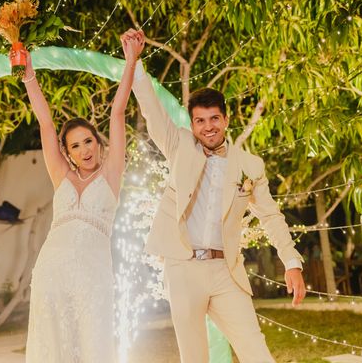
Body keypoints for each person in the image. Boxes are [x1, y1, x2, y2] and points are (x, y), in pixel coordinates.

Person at [121, 28, 306, 363]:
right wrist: (135, 61)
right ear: (192, 125)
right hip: (182, 267)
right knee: (194, 358)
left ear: (226, 119)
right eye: (200, 121)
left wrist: (291, 263)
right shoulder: (179, 146)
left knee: (257, 352)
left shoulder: (250, 165)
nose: (208, 127)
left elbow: (271, 215)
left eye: (214, 119)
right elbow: (150, 107)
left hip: (226, 271)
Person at [22, 45, 137, 362]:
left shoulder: (112, 172)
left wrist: (130, 63)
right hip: (52, 268)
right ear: (68, 153)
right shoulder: (61, 175)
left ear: (98, 143)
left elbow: (117, 112)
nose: (84, 150)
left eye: (88, 141)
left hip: (92, 272)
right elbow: (46, 123)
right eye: (75, 146)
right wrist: (28, 74)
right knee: (53, 342)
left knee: (92, 343)